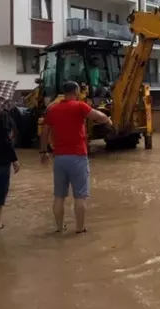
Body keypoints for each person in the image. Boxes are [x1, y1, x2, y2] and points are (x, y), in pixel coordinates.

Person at [39, 81, 112, 234]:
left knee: (59, 196)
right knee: (80, 196)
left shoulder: (52, 109)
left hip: (59, 158)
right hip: (78, 156)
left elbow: (45, 132)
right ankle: (80, 228)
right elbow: (98, 116)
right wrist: (107, 119)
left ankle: (59, 227)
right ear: (77, 91)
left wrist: (43, 152)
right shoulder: (80, 106)